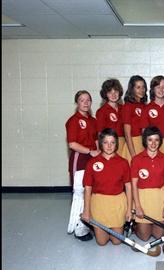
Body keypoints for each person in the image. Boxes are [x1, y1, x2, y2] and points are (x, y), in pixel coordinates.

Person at [81, 128, 132, 246]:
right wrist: (86, 210)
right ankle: (100, 230)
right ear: (100, 143)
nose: (109, 146)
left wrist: (129, 209)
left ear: (116, 144)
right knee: (101, 242)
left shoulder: (123, 162)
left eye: (112, 142)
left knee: (116, 241)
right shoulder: (92, 163)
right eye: (105, 142)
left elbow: (128, 187)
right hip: (99, 203)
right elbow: (87, 188)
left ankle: (124, 227)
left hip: (117, 203)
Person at [65, 90, 100, 241]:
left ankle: (87, 222)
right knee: (80, 192)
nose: (85, 103)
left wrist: (99, 152)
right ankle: (79, 228)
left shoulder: (93, 120)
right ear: (77, 103)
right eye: (82, 100)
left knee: (90, 191)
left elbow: (96, 139)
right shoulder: (73, 120)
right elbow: (72, 143)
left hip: (92, 159)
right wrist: (90, 151)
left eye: (88, 100)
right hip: (80, 159)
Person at [131, 126, 164, 241]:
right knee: (144, 237)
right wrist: (137, 206)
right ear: (145, 140)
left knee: (159, 236)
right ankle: (135, 227)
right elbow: (134, 185)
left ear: (160, 141)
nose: (153, 143)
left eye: (156, 140)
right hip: (143, 199)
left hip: (159, 199)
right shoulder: (137, 159)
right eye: (150, 140)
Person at [141, 75, 164, 158]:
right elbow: (144, 132)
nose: (161, 90)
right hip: (152, 145)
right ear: (153, 89)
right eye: (158, 87)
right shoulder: (146, 108)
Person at [96, 79, 125, 157]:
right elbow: (100, 133)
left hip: (124, 144)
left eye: (116, 91)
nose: (113, 94)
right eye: (110, 92)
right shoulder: (102, 111)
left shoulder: (124, 108)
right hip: (110, 144)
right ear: (106, 94)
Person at [122, 75, 148, 162]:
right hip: (133, 144)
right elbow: (127, 133)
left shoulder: (144, 106)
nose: (141, 90)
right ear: (132, 89)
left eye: (143, 87)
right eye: (138, 87)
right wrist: (133, 155)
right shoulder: (128, 106)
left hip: (144, 143)